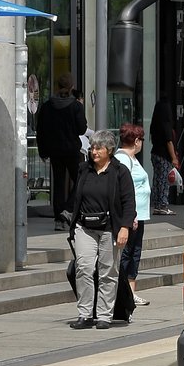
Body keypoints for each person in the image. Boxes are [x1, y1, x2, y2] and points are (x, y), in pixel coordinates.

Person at [66, 129, 134, 329]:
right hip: (85, 227)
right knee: (84, 269)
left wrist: (125, 228)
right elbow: (77, 197)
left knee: (108, 272)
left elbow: (129, 202)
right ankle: (85, 314)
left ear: (109, 150)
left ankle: (104, 315)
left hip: (109, 229)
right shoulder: (83, 170)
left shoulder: (120, 172)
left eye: (98, 148)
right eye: (92, 148)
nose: (94, 152)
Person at [36, 72, 88, 231]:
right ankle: (69, 209)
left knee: (58, 183)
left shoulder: (47, 106)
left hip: (54, 151)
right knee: (82, 178)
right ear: (72, 87)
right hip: (72, 149)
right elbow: (82, 129)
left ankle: (59, 219)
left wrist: (43, 151)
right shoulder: (76, 106)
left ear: (57, 87)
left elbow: (41, 130)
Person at [114, 123, 152, 306]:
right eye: (141, 140)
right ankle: (122, 293)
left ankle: (131, 292)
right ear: (136, 141)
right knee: (127, 253)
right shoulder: (123, 160)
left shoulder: (132, 158)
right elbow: (123, 190)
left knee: (134, 253)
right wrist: (131, 216)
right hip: (132, 216)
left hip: (140, 215)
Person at [149, 98, 181, 216]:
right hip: (164, 155)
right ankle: (163, 205)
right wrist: (174, 158)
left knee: (157, 180)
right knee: (164, 181)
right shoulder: (166, 124)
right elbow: (169, 141)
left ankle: (157, 204)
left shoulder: (155, 124)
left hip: (155, 153)